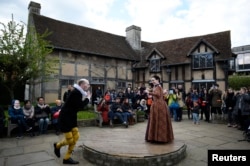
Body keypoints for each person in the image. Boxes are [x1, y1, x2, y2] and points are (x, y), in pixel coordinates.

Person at [54, 78, 91, 165]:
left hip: (71, 117)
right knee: (70, 140)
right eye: (87, 84)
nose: (88, 86)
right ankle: (57, 145)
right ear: (82, 84)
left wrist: (86, 98)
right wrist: (88, 98)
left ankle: (67, 158)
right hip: (65, 118)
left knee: (76, 136)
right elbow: (80, 106)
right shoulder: (76, 93)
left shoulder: (78, 92)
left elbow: (75, 107)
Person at [145, 75, 174, 143]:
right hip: (157, 104)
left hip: (159, 105)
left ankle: (160, 138)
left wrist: (148, 92)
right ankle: (156, 137)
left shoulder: (158, 86)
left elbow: (157, 94)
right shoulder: (157, 86)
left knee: (159, 120)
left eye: (153, 80)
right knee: (156, 120)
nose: (152, 82)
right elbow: (159, 94)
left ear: (157, 80)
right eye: (151, 80)